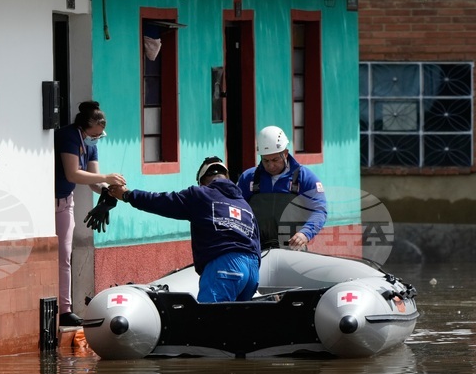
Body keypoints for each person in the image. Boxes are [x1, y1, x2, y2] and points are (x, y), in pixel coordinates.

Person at [106, 157, 260, 303]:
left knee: (210, 322)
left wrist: (127, 195)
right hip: (252, 272)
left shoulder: (201, 194)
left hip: (225, 266)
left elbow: (161, 201)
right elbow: (256, 242)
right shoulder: (244, 205)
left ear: (203, 182)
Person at [54, 101, 125, 327]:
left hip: (66, 201)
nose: (96, 138)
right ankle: (60, 306)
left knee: (66, 254)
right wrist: (107, 177)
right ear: (83, 128)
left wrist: (107, 189)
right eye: (93, 134)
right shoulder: (69, 137)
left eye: (100, 135)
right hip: (48, 200)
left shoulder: (90, 143)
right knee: (55, 255)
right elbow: (74, 174)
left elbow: (94, 181)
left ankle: (65, 309)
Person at [238, 126, 328, 250]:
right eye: (266, 160)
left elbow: (319, 210)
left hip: (293, 250)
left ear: (285, 153)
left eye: (275, 159)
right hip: (257, 251)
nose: (270, 165)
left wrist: (305, 233)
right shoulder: (248, 178)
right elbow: (236, 209)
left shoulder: (305, 178)